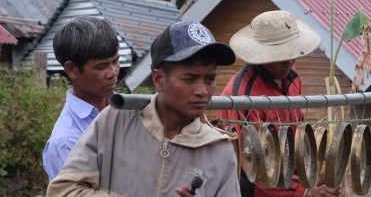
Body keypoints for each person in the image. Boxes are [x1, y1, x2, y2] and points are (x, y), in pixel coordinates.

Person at [47, 21, 242, 196]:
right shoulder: (114, 122)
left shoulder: (219, 150)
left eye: (210, 79)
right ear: (159, 80)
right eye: (190, 79)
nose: (202, 91)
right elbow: (63, 190)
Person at [219, 10, 339, 197]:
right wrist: (305, 191)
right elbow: (257, 168)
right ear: (263, 54)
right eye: (282, 56)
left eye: (292, 54)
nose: (290, 61)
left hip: (289, 182)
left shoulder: (292, 77)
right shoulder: (242, 97)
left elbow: (295, 133)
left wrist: (310, 177)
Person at [43, 16, 121, 181]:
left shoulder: (128, 108)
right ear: (72, 69)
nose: (113, 72)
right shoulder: (67, 140)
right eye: (101, 66)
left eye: (115, 61)